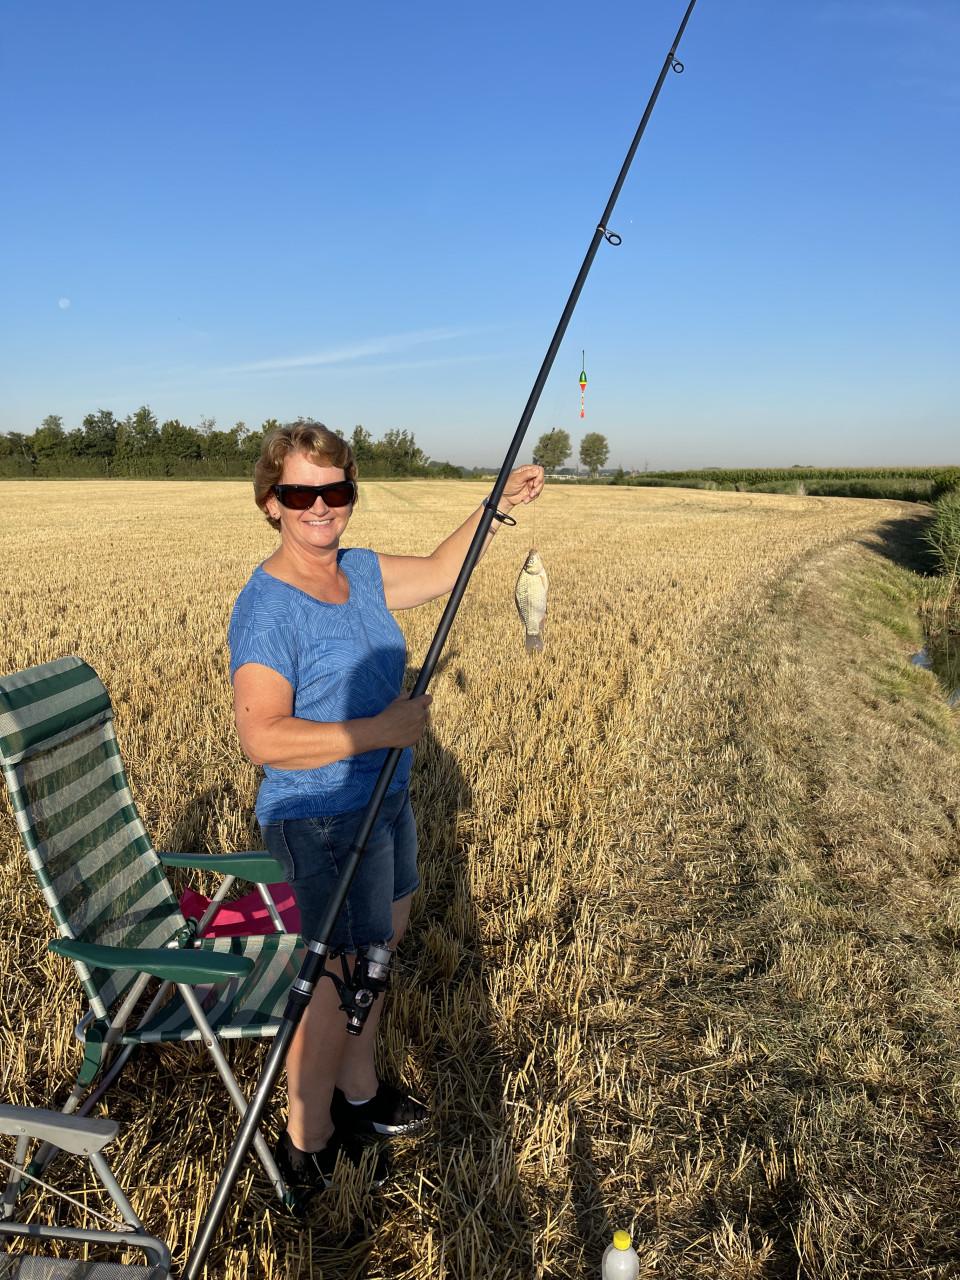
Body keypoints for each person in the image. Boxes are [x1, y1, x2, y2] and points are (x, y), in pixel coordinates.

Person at [228, 420, 543, 1192]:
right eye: (300, 492)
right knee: (335, 981)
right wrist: (382, 730)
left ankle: (359, 1092)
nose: (320, 506)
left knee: (376, 957)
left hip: (386, 801)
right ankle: (308, 1144)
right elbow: (262, 738)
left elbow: (441, 569)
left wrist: (495, 504)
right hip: (324, 815)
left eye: (335, 490)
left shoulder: (359, 571)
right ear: (271, 502)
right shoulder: (270, 607)